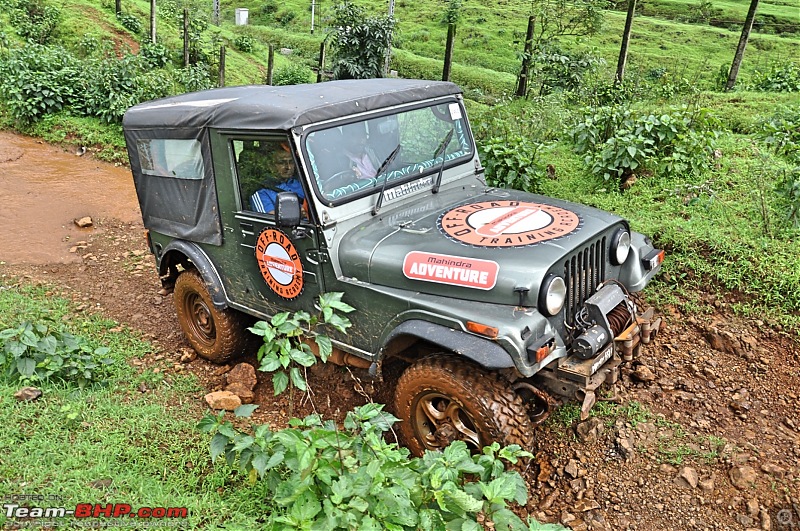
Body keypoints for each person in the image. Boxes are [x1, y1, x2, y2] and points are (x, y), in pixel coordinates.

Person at [249, 143, 305, 214]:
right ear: (271, 165)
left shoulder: (302, 182)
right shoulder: (261, 192)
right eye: (282, 163)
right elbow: (270, 219)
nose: (289, 167)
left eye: (291, 162)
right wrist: (300, 213)